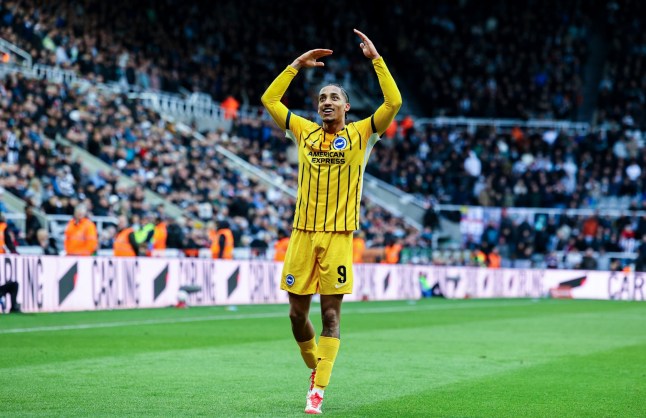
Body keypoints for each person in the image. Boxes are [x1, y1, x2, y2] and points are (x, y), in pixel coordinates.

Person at [261, 29, 401, 414]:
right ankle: (316, 367)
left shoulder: (362, 135)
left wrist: (376, 59)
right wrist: (294, 66)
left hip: (339, 237)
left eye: (334, 97)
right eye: (322, 98)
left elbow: (394, 101)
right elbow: (269, 99)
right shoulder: (303, 132)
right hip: (302, 235)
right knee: (295, 317)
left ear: (347, 106)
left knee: (331, 314)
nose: (326, 102)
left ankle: (317, 392)